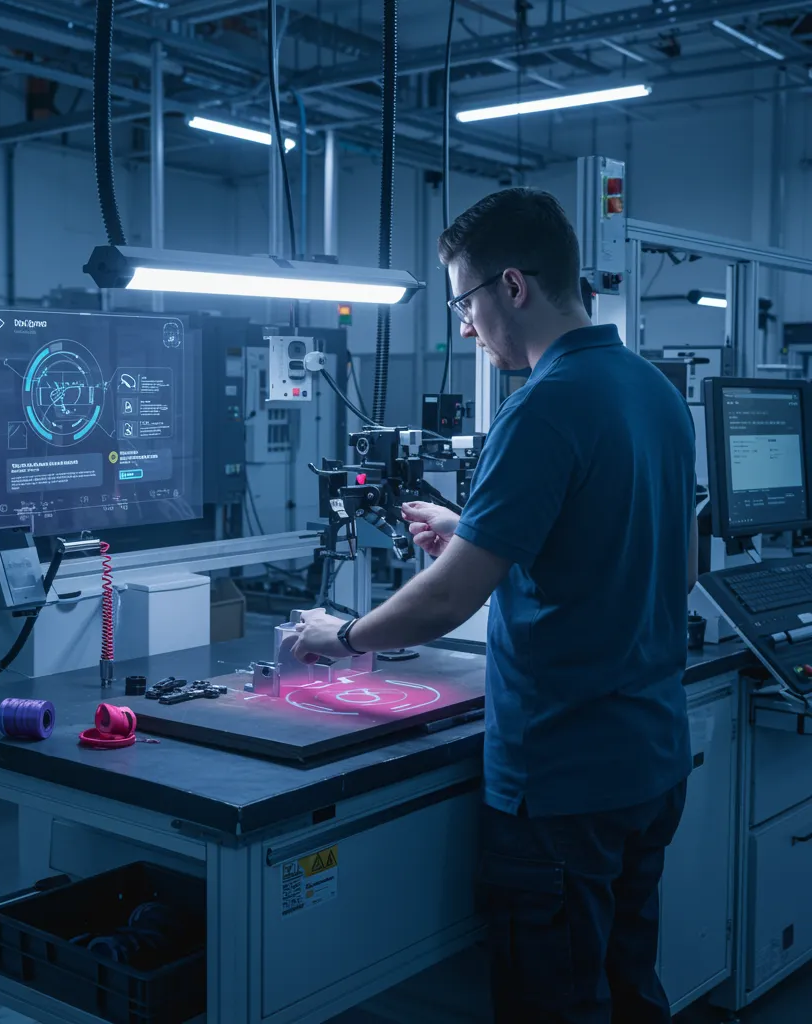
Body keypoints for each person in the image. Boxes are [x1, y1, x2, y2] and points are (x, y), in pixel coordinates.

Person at [291, 188, 698, 1024]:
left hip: (561, 779)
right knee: (630, 990)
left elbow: (449, 597)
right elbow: (675, 563)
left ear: (512, 286)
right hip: (649, 763)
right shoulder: (653, 390)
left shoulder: (544, 404)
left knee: (557, 1005)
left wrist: (343, 635)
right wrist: (474, 530)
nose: (466, 328)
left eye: (465, 303)